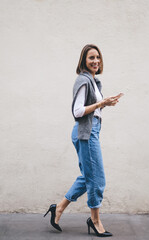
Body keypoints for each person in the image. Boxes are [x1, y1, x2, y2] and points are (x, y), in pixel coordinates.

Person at [44, 44, 123, 237]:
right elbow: (77, 111)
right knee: (97, 179)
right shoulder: (82, 80)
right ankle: (94, 220)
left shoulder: (94, 82)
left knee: (88, 176)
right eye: (91, 58)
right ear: (83, 61)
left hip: (90, 131)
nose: (95, 61)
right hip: (85, 134)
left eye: (98, 57)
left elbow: (93, 109)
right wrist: (101, 103)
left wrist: (105, 104)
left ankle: (59, 208)